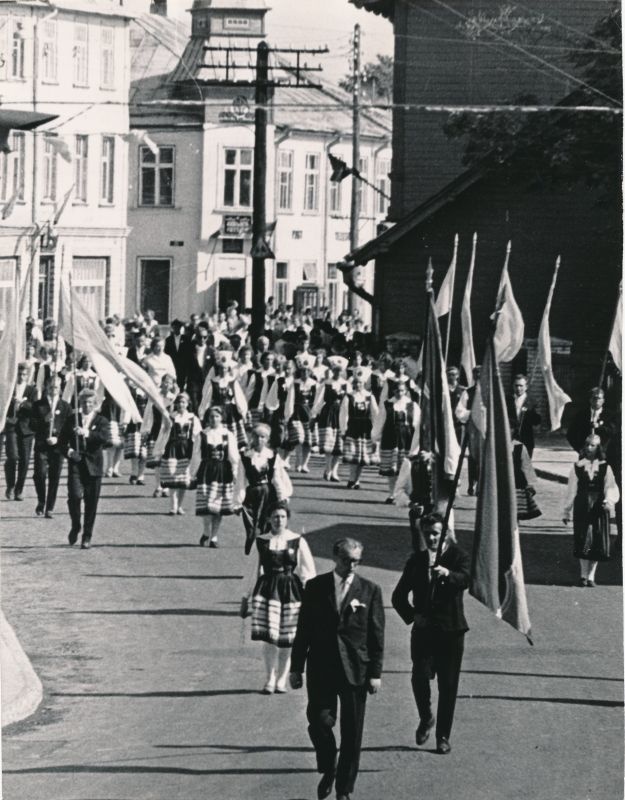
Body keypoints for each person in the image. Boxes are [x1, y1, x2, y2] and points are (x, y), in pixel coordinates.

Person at [290, 537, 385, 800]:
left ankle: (344, 789)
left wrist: (375, 673)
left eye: (356, 561)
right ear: (335, 557)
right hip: (322, 667)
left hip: (356, 669)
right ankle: (329, 763)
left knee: (352, 734)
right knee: (319, 721)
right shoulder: (316, 587)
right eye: (346, 560)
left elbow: (377, 636)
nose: (352, 565)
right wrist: (296, 668)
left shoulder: (370, 591)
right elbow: (304, 630)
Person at [391, 512, 469, 755]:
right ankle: (426, 717)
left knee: (448, 686)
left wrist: (448, 575)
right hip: (424, 631)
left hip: (451, 631)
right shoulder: (416, 560)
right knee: (419, 677)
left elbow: (467, 579)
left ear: (445, 532)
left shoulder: (458, 556)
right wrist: (413, 615)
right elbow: (398, 596)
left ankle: (442, 736)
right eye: (428, 534)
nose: (432, 538)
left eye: (436, 533)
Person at [242, 503, 316, 693]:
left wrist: (312, 597)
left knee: (287, 638)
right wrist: (245, 596)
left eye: (282, 517)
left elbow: (308, 571)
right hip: (268, 591)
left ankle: (282, 678)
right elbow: (251, 570)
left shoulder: (297, 541)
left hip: (291, 591)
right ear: (268, 519)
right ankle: (269, 678)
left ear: (287, 519)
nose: (279, 521)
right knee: (269, 638)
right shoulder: (261, 541)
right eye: (275, 517)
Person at [562, 434, 619, 587]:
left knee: (597, 539)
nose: (589, 448)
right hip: (582, 505)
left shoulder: (605, 467)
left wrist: (608, 500)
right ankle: (582, 575)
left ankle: (591, 576)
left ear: (598, 448)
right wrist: (566, 510)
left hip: (598, 506)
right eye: (587, 445)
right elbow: (571, 490)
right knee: (583, 538)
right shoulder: (577, 467)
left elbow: (611, 486)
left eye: (592, 445)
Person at [59, 388, 109, 549]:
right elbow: (61, 442)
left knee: (91, 502)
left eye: (90, 402)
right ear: (79, 404)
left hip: (94, 465)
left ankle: (87, 536)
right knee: (74, 496)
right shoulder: (72, 419)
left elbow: (103, 438)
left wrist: (86, 433)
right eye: (84, 402)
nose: (86, 405)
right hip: (76, 463)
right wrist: (69, 451)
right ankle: (75, 524)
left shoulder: (102, 421)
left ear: (95, 404)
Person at [234, 423, 292, 554]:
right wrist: (237, 502)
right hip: (251, 496)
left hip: (268, 494)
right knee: (253, 530)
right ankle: (253, 559)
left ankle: (267, 561)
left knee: (268, 527)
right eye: (256, 436)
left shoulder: (272, 456)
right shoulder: (245, 456)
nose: (259, 440)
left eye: (263, 437)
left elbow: (277, 478)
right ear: (251, 437)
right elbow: (241, 480)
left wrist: (282, 496)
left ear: (267, 439)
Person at [189, 406, 239, 548]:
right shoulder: (202, 435)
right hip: (206, 471)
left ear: (221, 418)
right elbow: (196, 455)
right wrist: (193, 474)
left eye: (217, 416)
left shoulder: (228, 435)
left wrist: (235, 473)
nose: (214, 419)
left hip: (223, 471)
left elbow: (233, 456)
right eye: (211, 416)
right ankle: (206, 531)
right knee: (206, 505)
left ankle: (214, 536)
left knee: (219, 506)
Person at [30, 373, 72, 517]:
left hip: (58, 447)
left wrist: (58, 440)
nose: (54, 389)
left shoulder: (65, 406)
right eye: (51, 386)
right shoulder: (38, 405)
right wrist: (44, 420)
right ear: (47, 387)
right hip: (42, 445)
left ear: (60, 389)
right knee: (39, 474)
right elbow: (32, 425)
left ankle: (49, 507)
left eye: (57, 387)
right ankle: (41, 500)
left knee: (55, 477)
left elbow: (68, 429)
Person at [372, 381, 419, 504]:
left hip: (406, 438)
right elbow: (380, 421)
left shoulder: (412, 405)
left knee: (405, 467)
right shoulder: (387, 404)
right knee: (392, 469)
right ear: (393, 391)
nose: (399, 393)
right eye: (397, 391)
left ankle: (405, 494)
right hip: (390, 438)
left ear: (406, 391)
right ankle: (392, 494)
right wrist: (375, 437)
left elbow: (417, 424)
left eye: (402, 391)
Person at [160, 392, 201, 515]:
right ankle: (173, 505)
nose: (181, 405)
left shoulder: (192, 418)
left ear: (188, 404)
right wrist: (161, 447)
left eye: (183, 402)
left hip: (186, 448)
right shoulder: (171, 417)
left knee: (183, 479)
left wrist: (196, 449)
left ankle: (180, 506)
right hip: (173, 448)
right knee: (173, 477)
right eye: (179, 402)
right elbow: (164, 433)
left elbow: (197, 435)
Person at [339, 370, 378, 490]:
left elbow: (375, 414)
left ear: (364, 383)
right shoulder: (349, 396)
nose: (358, 385)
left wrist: (376, 431)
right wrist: (343, 429)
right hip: (353, 427)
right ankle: (351, 479)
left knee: (363, 457)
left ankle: (357, 480)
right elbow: (344, 414)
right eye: (356, 383)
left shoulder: (369, 396)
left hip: (365, 428)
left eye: (361, 383)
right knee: (353, 456)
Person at [313, 363, 348, 483]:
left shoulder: (345, 384)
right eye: (336, 371)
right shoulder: (326, 384)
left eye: (340, 371)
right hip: (328, 412)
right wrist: (314, 414)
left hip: (341, 413)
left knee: (339, 445)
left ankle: (334, 471)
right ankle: (327, 469)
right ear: (332, 371)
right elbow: (319, 399)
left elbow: (348, 400)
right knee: (328, 443)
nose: (338, 373)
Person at [566, 386, 615, 453]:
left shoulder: (609, 415)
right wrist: (579, 448)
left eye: (599, 398)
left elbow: (613, 432)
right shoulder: (581, 415)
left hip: (604, 455)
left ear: (603, 400)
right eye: (594, 398)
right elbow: (570, 434)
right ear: (590, 400)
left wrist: (599, 427)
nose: (597, 400)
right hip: (585, 454)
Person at [506, 374, 541, 458]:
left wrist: (531, 414)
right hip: (509, 439)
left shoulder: (533, 401)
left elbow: (537, 421)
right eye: (516, 385)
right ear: (513, 386)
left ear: (526, 386)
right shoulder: (507, 400)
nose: (518, 388)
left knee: (525, 468)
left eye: (521, 386)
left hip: (526, 440)